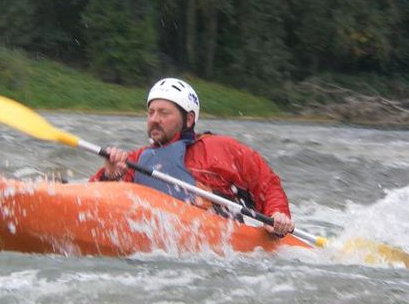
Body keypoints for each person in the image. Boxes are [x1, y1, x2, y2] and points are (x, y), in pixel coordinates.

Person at [90, 77, 294, 236]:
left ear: (189, 119)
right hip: (159, 243)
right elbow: (94, 201)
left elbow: (267, 184)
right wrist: (110, 175)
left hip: (221, 245)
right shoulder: (137, 159)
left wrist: (277, 214)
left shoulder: (222, 148)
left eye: (164, 113)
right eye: (150, 112)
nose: (154, 119)